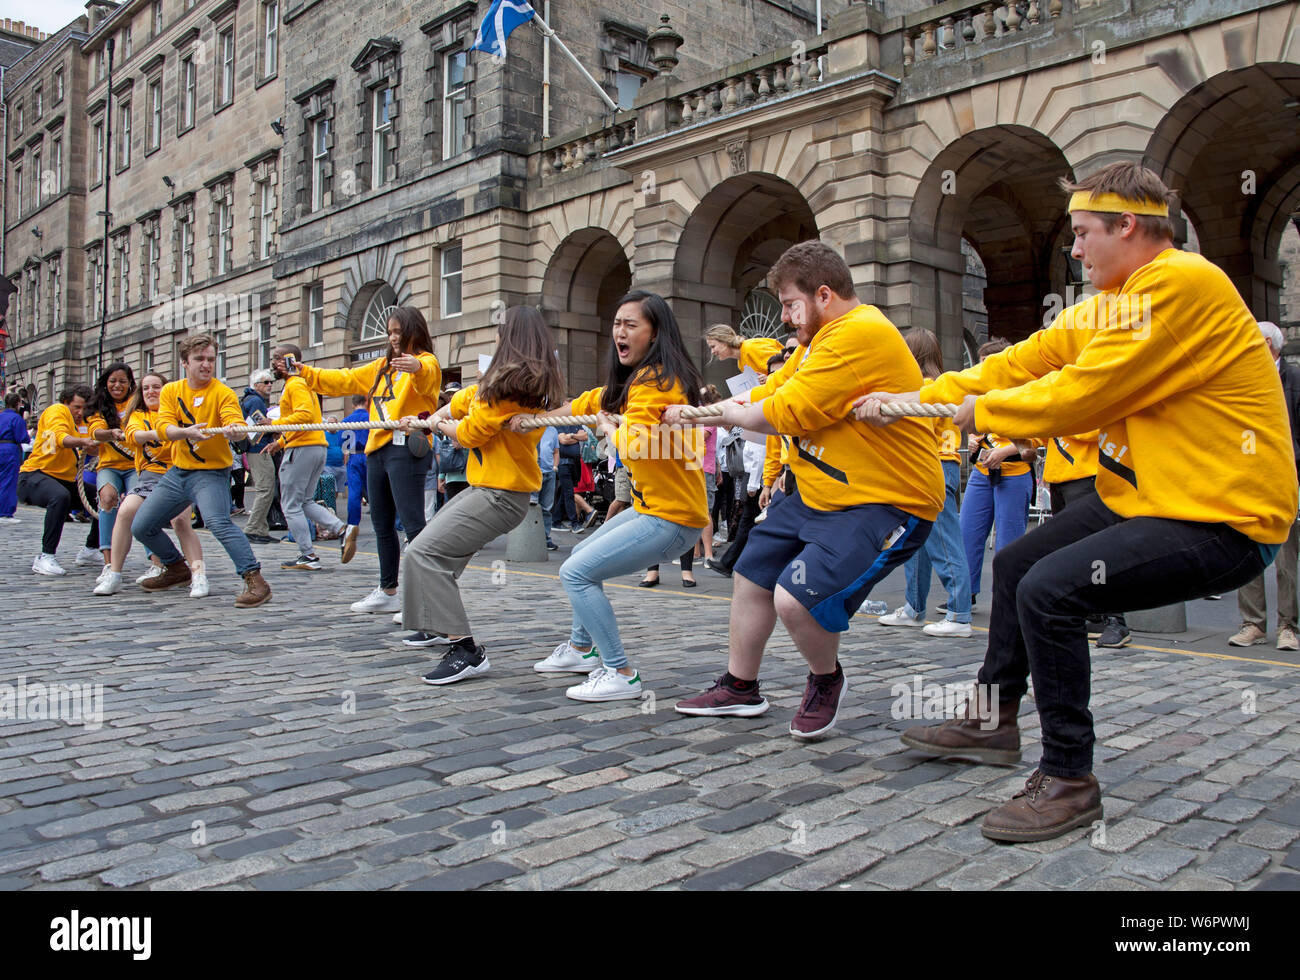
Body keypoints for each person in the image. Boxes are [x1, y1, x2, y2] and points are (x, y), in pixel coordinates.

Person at [860, 163, 1297, 842]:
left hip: (1223, 515)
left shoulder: (1179, 283)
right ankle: (992, 719)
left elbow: (1081, 394)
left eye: (1084, 232)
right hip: (1150, 497)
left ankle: (1069, 778)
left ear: (1128, 226)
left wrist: (967, 412)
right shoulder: (1114, 300)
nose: (1074, 249)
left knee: (1050, 590)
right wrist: (931, 395)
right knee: (1014, 567)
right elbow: (1028, 359)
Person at [673, 240, 942, 738]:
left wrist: (730, 414)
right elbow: (774, 390)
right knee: (752, 575)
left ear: (823, 295)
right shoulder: (819, 340)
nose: (784, 317)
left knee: (795, 599)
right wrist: (704, 410)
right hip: (821, 492)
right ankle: (740, 687)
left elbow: (784, 411)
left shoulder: (857, 334)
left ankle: (825, 679)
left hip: (886, 499)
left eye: (790, 304)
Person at [529, 290, 708, 700]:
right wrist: (523, 420)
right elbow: (577, 405)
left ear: (655, 332)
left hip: (673, 517)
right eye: (617, 324)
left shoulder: (657, 381)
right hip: (655, 510)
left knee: (575, 573)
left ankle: (620, 672)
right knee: (578, 562)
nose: (619, 333)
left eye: (631, 325)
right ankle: (579, 649)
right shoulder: (630, 382)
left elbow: (634, 446)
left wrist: (609, 428)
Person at [402, 306, 564, 683]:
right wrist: (436, 415)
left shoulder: (505, 391)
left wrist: (439, 424)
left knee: (423, 552)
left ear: (507, 340)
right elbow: (465, 401)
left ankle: (465, 650)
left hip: (499, 495)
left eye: (497, 333)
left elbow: (469, 435)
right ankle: (434, 620)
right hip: (493, 490)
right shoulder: (515, 387)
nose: (493, 339)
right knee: (433, 554)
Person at [293, 307, 441, 613]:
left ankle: (427, 599)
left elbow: (427, 380)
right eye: (390, 332)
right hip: (377, 449)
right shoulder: (380, 366)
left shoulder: (427, 362)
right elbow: (342, 380)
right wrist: (303, 371)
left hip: (407, 448)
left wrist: (416, 366)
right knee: (382, 523)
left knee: (413, 523)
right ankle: (388, 590)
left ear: (414, 330)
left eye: (399, 331)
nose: (393, 337)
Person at [131, 333, 272, 607]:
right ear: (185, 362)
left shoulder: (223, 393)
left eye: (211, 359)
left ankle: (256, 580)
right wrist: (185, 432)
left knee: (218, 522)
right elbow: (164, 427)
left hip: (211, 473)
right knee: (142, 525)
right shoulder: (171, 391)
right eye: (200, 359)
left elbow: (234, 423)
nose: (206, 365)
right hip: (179, 473)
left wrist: (234, 432)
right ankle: (176, 568)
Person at [875, 328, 974, 637]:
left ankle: (959, 615)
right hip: (935, 467)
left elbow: (914, 433)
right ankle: (914, 607)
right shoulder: (938, 384)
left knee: (944, 541)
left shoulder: (925, 387)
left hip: (935, 466)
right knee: (919, 541)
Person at [92, 372, 206, 596]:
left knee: (181, 521)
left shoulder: (178, 412)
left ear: (167, 390)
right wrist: (172, 433)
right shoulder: (136, 415)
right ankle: (114, 574)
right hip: (150, 475)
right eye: (146, 388)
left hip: (180, 473)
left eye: (156, 387)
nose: (151, 392)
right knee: (125, 513)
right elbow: (135, 436)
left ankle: (198, 575)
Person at [1229, 321, 1300, 651]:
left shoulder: (1294, 378)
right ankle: (1252, 623)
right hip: (1247, 476)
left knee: (1286, 559)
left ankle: (1288, 626)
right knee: (1248, 554)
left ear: (1271, 345)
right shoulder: (1239, 377)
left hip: (1284, 477)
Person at [958, 339, 1038, 609]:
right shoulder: (983, 397)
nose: (981, 371)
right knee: (968, 531)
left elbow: (1034, 443)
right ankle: (963, 596)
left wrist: (1003, 452)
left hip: (1014, 474)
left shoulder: (1023, 393)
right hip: (983, 473)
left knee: (1008, 543)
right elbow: (981, 431)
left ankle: (1007, 600)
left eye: (985, 365)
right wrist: (974, 442)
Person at [265, 345, 353, 571]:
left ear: (289, 360)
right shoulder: (303, 383)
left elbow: (304, 416)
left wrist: (274, 425)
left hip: (302, 449)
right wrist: (281, 442)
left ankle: (308, 554)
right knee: (305, 501)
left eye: (276, 358)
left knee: (291, 504)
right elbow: (308, 419)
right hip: (314, 446)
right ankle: (342, 529)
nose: (272, 363)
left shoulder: (295, 384)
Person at [17, 385, 103, 575]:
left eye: (84, 408)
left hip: (63, 480)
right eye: (77, 407)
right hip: (34, 475)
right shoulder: (57, 411)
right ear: (66, 403)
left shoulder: (82, 423)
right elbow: (60, 437)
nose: (81, 412)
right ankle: (45, 556)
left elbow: (93, 446)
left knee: (103, 497)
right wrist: (84, 442)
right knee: (60, 496)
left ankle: (91, 549)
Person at [86, 362, 138, 572]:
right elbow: (95, 431)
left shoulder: (137, 404)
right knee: (107, 499)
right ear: (105, 383)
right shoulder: (98, 406)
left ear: (130, 384)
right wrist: (110, 433)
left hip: (136, 464)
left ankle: (155, 561)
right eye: (113, 381)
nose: (117, 385)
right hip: (109, 465)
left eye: (122, 381)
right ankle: (108, 562)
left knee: (137, 507)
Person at [242, 369, 281, 544]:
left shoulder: (251, 400)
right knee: (266, 489)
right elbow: (259, 426)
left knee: (265, 488)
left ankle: (261, 529)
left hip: (255, 448)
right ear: (256, 385)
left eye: (270, 382)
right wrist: (276, 427)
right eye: (266, 382)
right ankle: (253, 528)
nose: (269, 385)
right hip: (259, 449)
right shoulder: (256, 401)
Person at [704, 324, 783, 376]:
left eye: (713, 346)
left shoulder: (750, 347)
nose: (712, 352)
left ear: (724, 341)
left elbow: (784, 367)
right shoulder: (740, 363)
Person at [341, 394, 370, 528]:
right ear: (366, 402)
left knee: (354, 492)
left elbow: (343, 445)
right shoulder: (371, 418)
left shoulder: (346, 421)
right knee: (375, 490)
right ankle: (382, 522)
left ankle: (353, 524)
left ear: (353, 404)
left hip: (353, 456)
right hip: (369, 455)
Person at [0, 392, 26, 523]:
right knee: (9, 481)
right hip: (9, 450)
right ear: (17, 404)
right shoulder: (16, 418)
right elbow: (22, 437)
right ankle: (5, 512)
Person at [536, 424, 559, 550]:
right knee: (531, 506)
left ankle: (545, 537)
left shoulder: (552, 430)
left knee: (546, 507)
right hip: (534, 472)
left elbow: (556, 451)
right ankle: (531, 537)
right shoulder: (530, 427)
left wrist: (555, 466)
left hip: (549, 472)